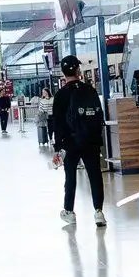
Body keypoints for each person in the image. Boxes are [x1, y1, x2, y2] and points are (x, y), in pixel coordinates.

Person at [52, 55, 107, 227]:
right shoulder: (89, 90)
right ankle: (99, 212)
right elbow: (99, 115)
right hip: (90, 140)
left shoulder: (60, 95)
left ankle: (69, 211)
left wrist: (58, 147)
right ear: (78, 70)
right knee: (95, 176)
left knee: (70, 177)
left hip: (70, 142)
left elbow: (57, 123)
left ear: (63, 73)